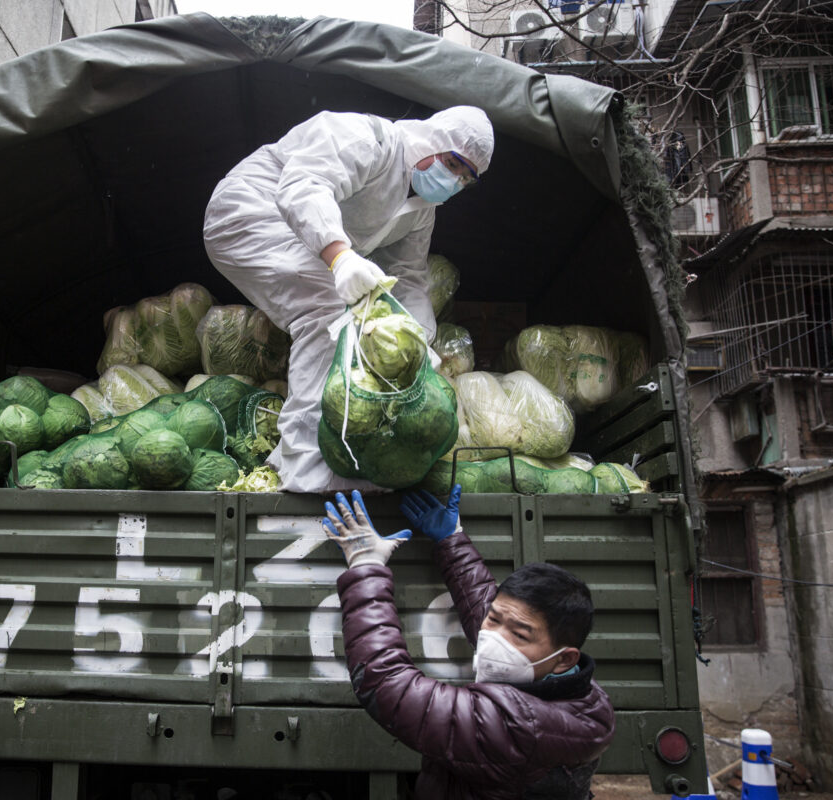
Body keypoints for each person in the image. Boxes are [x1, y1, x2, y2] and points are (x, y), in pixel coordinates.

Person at [203, 107, 494, 493]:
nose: (454, 179)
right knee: (329, 313)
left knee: (343, 314)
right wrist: (339, 256)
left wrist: (419, 341)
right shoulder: (367, 139)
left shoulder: (423, 210)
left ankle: (313, 456)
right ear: (432, 138)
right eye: (454, 163)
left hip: (295, 237)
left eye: (466, 177)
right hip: (250, 211)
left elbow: (408, 274)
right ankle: (305, 464)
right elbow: (303, 187)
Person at [321, 486, 615, 799]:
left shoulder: (518, 727)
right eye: (495, 620)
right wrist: (452, 539)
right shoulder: (576, 690)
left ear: (564, 658)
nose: (495, 639)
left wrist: (366, 568)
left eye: (519, 635)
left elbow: (387, 684)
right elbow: (491, 612)